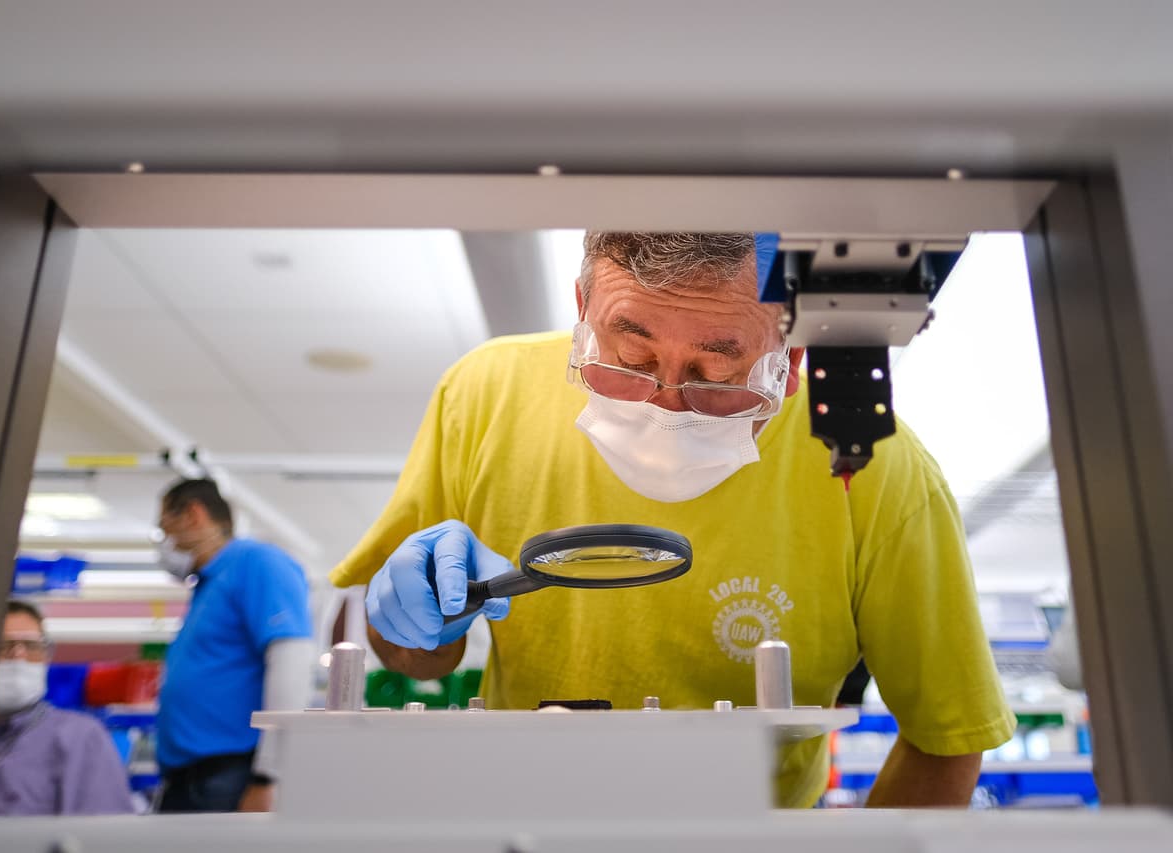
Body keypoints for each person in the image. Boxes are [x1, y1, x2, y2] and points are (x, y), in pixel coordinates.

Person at [332, 232, 1015, 808]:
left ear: (794, 352)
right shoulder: (484, 394)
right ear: (582, 310)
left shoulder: (870, 465)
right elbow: (413, 659)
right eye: (629, 360)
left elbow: (947, 737)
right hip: (526, 821)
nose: (664, 406)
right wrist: (415, 616)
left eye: (717, 373)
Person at [154, 478, 314, 813]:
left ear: (194, 515)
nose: (165, 544)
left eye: (165, 530)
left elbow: (292, 661)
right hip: (190, 776)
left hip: (231, 775)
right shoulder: (211, 582)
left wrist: (269, 776)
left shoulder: (257, 563)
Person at [0, 600, 134, 816]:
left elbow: (108, 836)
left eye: (31, 647)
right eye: (3, 646)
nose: (19, 657)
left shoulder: (80, 738)